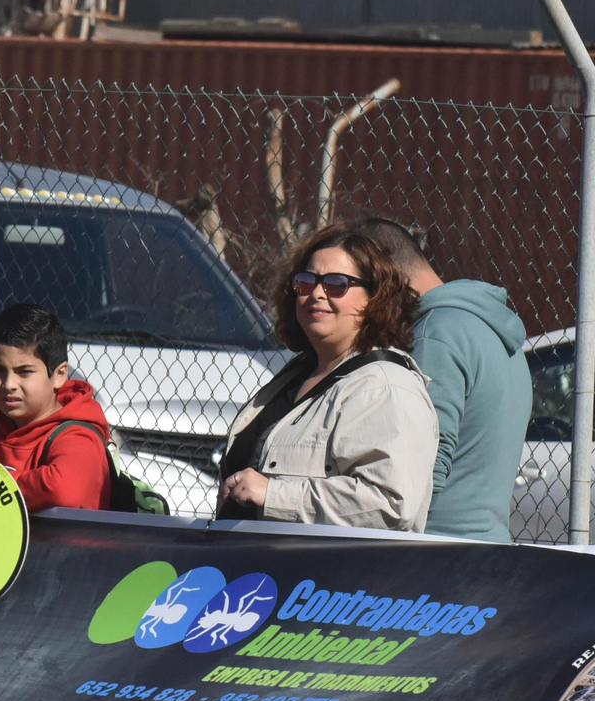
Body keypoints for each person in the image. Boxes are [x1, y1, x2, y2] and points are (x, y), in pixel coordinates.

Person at [217, 225, 437, 531]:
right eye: (305, 282)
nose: (317, 293)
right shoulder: (296, 374)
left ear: (374, 298)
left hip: (329, 577)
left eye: (337, 284)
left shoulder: (385, 385)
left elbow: (392, 505)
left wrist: (273, 495)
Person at [358, 218, 530, 543]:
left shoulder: (436, 334)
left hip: (438, 554)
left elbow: (424, 469)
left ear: (383, 276)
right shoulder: (491, 329)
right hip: (486, 547)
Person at [0, 303, 112, 511]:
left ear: (59, 375)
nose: (9, 384)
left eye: (24, 372)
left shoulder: (76, 436)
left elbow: (63, 489)